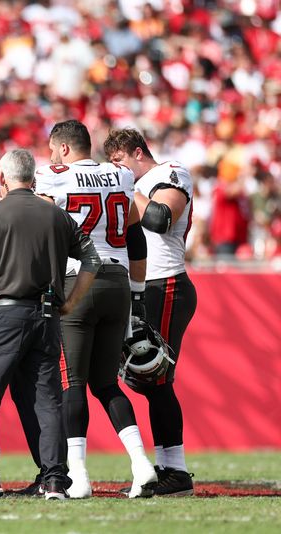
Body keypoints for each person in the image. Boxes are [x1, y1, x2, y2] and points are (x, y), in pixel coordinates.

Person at [0, 149, 101, 501]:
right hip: (48, 313)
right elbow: (92, 259)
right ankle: (54, 480)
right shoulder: (56, 215)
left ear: (2, 179)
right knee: (47, 400)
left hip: (7, 311)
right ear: (34, 180)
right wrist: (70, 302)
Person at [34, 120, 157, 499]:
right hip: (118, 282)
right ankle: (141, 463)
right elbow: (136, 239)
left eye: (55, 149)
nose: (53, 156)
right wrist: (137, 295)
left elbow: (34, 227)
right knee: (106, 382)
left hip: (79, 281)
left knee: (73, 382)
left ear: (65, 149)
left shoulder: (53, 175)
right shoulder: (120, 174)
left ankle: (78, 475)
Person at [104, 128, 197, 497]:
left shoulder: (171, 172)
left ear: (138, 153)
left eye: (120, 163)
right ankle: (167, 466)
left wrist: (125, 187)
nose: (117, 171)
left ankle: (175, 470)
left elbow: (159, 218)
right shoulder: (135, 187)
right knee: (140, 378)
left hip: (167, 283)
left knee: (156, 375)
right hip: (141, 287)